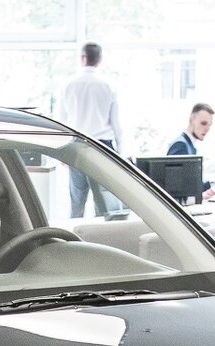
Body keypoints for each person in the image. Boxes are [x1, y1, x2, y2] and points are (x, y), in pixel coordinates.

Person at [58, 42, 124, 217]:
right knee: (102, 203)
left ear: (82, 58)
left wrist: (61, 151)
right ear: (99, 59)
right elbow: (117, 125)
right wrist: (120, 153)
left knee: (77, 200)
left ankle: (73, 232)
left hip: (76, 145)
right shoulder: (108, 86)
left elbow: (61, 122)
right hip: (102, 148)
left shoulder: (68, 85)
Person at [167, 102, 215, 200]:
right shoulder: (181, 146)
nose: (207, 129)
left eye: (209, 125)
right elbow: (177, 190)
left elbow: (190, 182)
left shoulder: (188, 145)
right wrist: (201, 196)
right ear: (191, 120)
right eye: (203, 123)